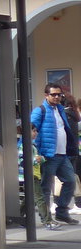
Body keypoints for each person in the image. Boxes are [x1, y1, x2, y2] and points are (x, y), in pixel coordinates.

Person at [29, 83, 79, 226]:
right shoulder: (40, 111)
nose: (57, 97)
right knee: (45, 187)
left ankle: (62, 212)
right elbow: (30, 130)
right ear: (46, 95)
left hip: (62, 155)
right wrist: (30, 151)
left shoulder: (61, 109)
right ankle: (46, 218)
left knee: (70, 181)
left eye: (59, 94)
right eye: (53, 94)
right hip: (47, 155)